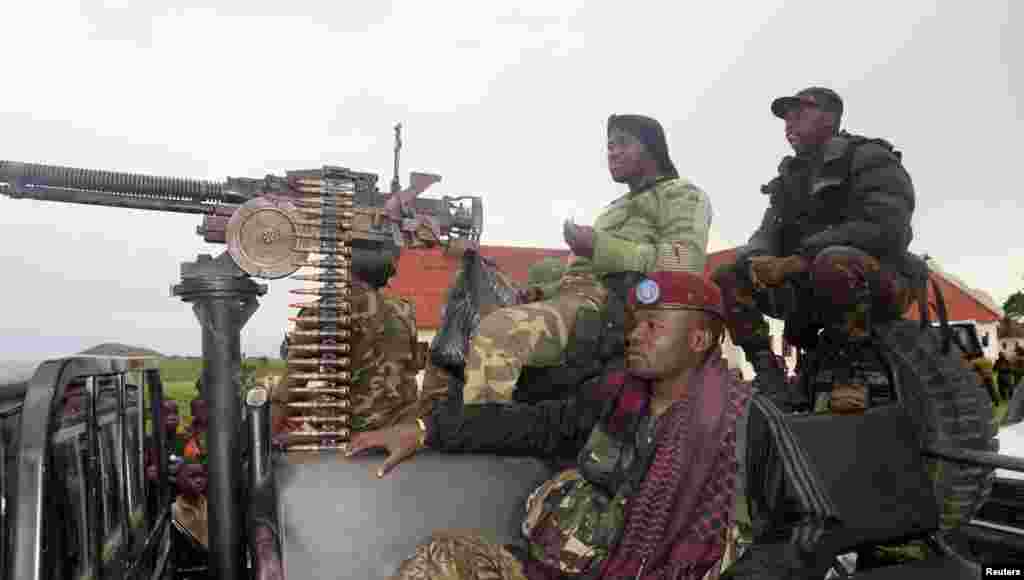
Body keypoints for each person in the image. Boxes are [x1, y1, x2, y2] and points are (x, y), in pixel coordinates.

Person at [349, 271, 752, 580]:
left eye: (653, 327)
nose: (634, 335)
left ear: (698, 341)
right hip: (571, 569)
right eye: (635, 323)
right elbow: (532, 424)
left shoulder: (747, 422)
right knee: (440, 564)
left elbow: (794, 534)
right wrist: (425, 429)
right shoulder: (616, 396)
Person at [457, 114, 713, 405]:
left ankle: (478, 429)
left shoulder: (682, 195)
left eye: (623, 143)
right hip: (573, 302)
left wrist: (600, 246)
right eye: (609, 146)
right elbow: (582, 278)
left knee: (500, 330)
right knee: (466, 320)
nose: (612, 152)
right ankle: (427, 419)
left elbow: (686, 263)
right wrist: (542, 292)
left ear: (651, 148)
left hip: (617, 308)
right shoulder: (613, 209)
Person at [711, 87, 916, 413]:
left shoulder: (869, 157)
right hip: (810, 288)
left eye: (799, 114)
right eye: (786, 118)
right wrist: (755, 260)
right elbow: (765, 234)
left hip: (877, 283)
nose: (789, 124)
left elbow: (887, 227)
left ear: (830, 117)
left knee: (833, 261)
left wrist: (798, 259)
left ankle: (851, 372)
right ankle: (769, 374)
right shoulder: (789, 178)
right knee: (728, 274)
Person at [271, 253, 424, 436]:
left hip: (350, 438)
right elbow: (414, 366)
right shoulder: (405, 311)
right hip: (400, 435)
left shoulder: (321, 312)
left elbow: (289, 392)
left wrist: (264, 440)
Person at [172, 463, 210, 548]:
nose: (199, 481)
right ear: (181, 480)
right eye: (193, 476)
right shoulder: (174, 510)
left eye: (202, 476)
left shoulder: (210, 506)